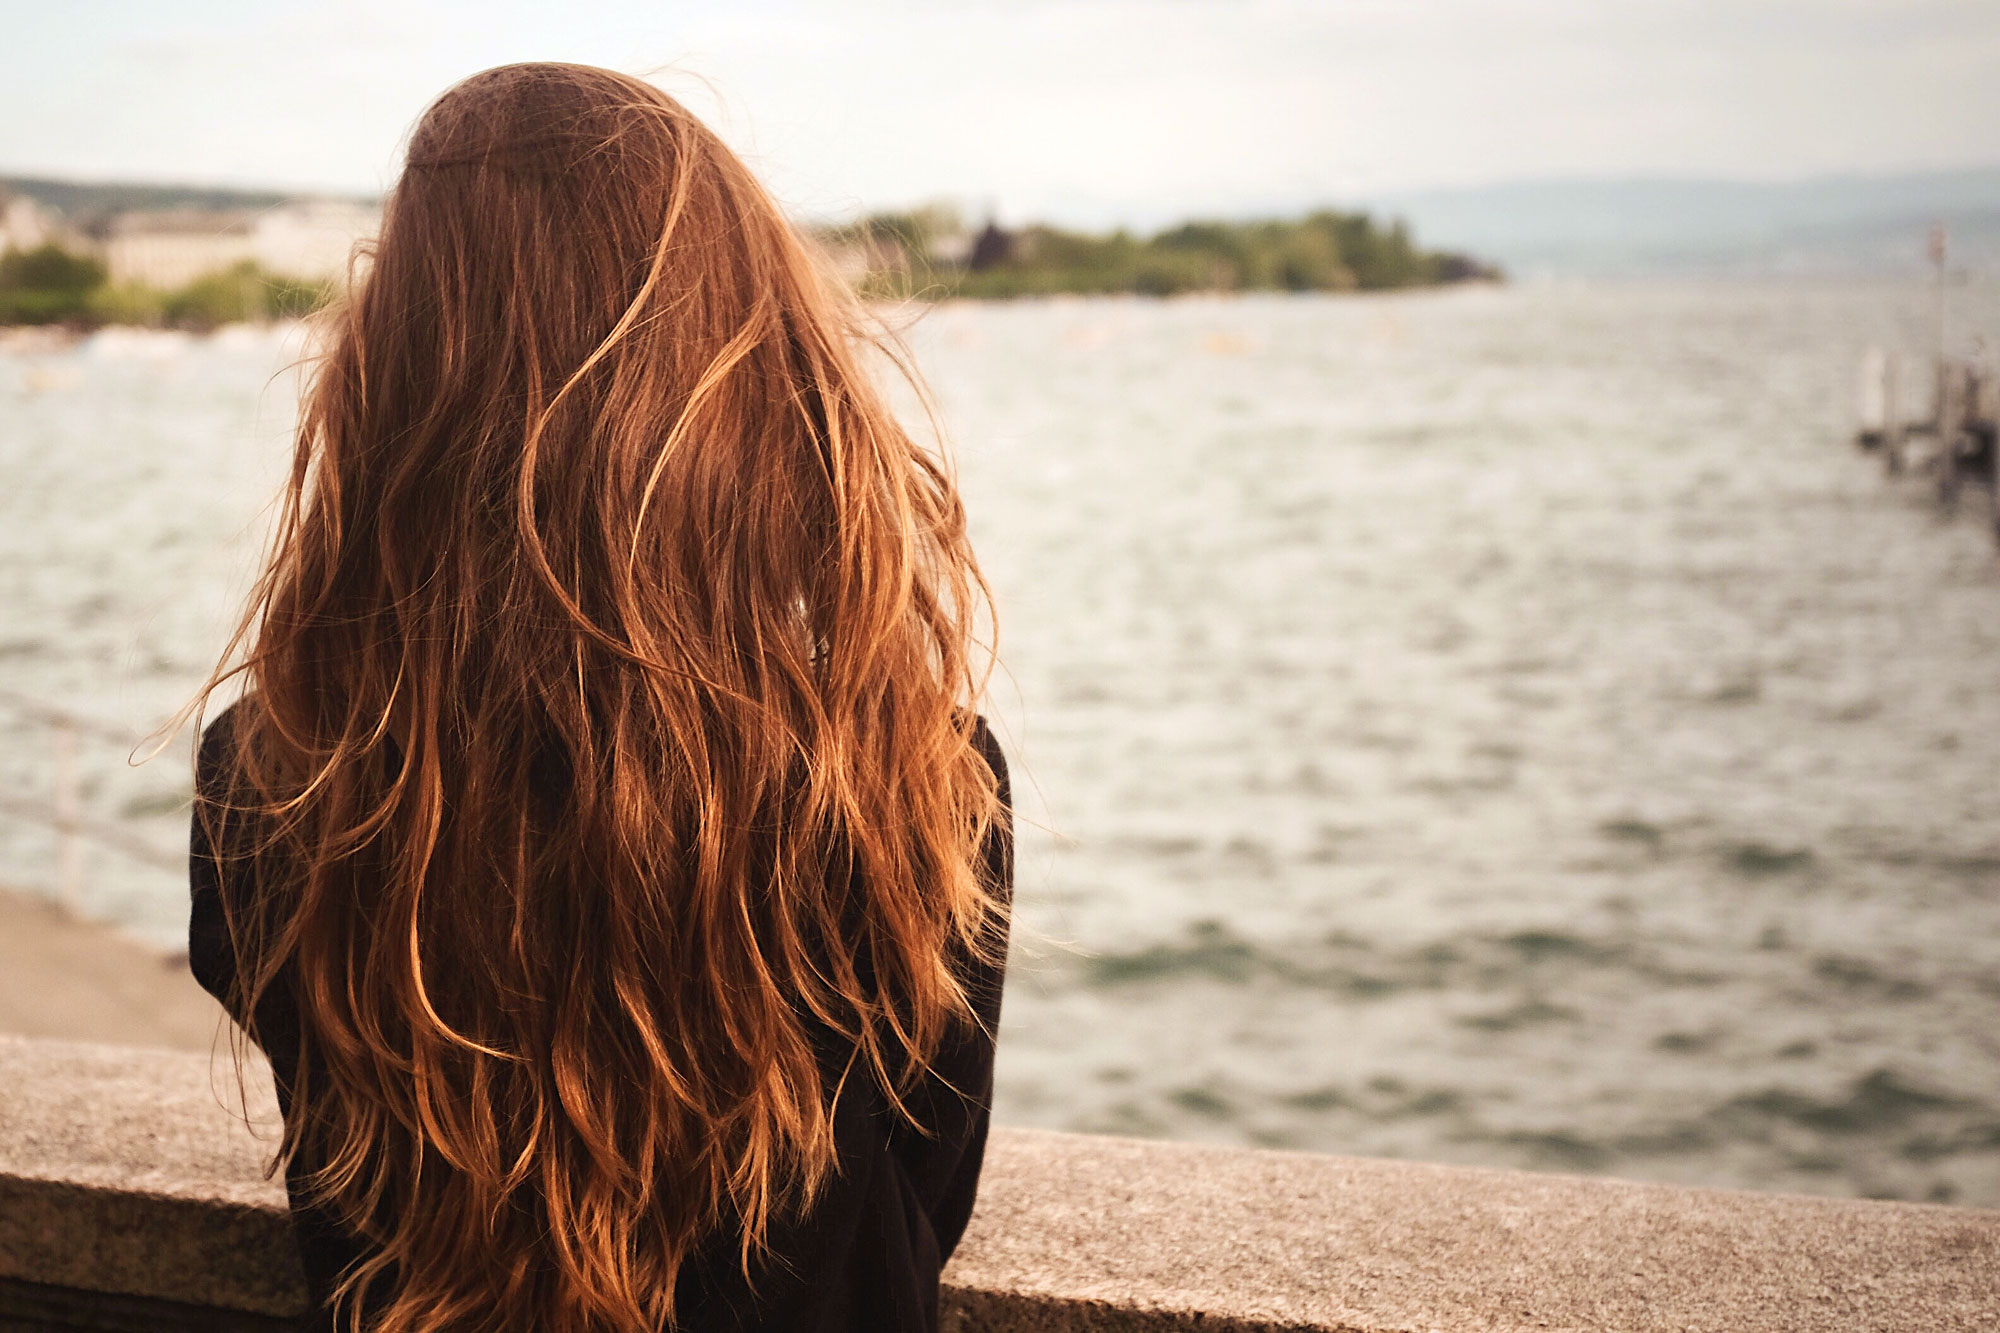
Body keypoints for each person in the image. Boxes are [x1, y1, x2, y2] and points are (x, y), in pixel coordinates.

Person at [187, 62, 1011, 1333]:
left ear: (396, 379)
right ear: (754, 384)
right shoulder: (911, 777)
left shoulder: (269, 779)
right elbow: (920, 1211)